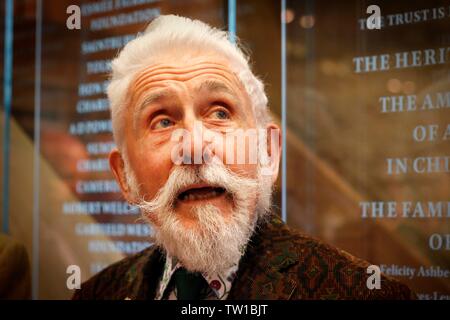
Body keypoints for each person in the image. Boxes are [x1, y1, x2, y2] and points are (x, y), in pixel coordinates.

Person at [72, 15, 414, 300]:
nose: (194, 147)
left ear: (269, 152)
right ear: (124, 176)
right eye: (162, 121)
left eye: (220, 113)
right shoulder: (95, 294)